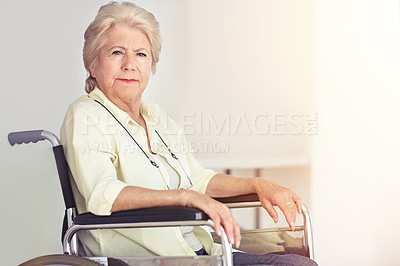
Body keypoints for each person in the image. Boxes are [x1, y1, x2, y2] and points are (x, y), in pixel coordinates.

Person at [61, 2, 318, 265]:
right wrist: (185, 197)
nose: (130, 64)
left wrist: (258, 184)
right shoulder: (86, 115)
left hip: (200, 250)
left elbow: (198, 179)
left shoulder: (157, 118)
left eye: (141, 54)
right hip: (146, 259)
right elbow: (102, 192)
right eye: (117, 52)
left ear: (151, 65)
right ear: (93, 63)